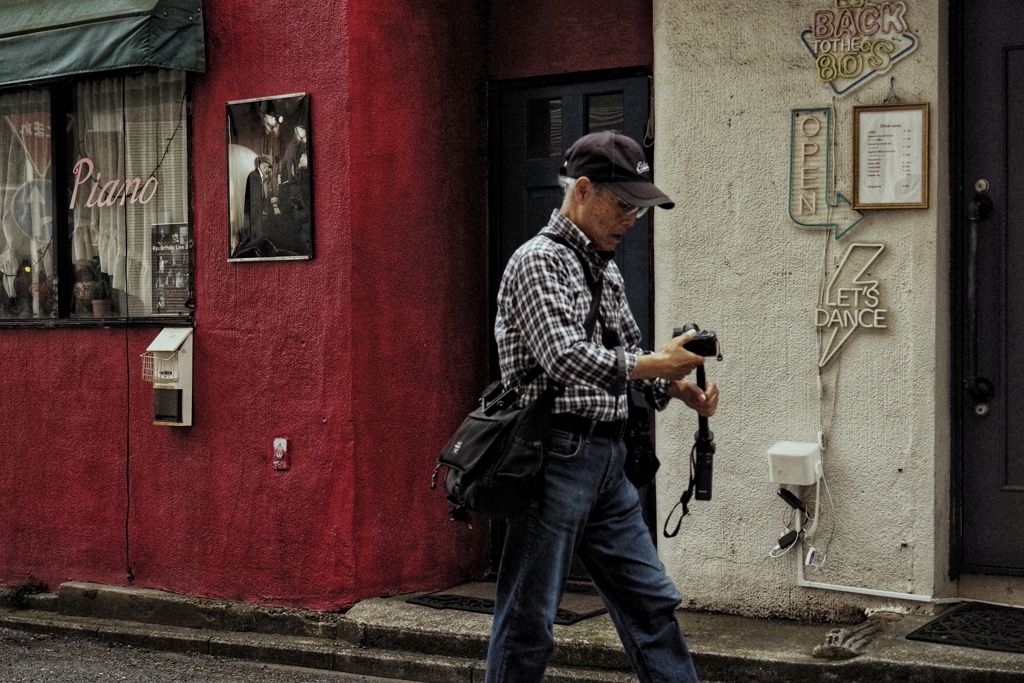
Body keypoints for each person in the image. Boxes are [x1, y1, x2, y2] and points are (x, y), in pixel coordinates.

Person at [487, 130, 719, 683]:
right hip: (553, 460)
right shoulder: (537, 262)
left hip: (609, 464)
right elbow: (564, 357)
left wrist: (674, 387)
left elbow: (626, 354)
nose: (633, 219)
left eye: (640, 208)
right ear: (583, 190)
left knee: (651, 605)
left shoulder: (604, 267)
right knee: (529, 619)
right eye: (624, 205)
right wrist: (656, 365)